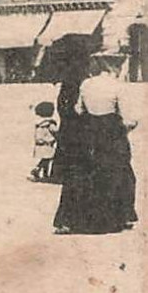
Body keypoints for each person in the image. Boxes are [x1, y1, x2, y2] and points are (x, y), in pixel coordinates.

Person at [53, 57, 138, 235]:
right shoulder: (118, 86)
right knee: (119, 170)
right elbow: (128, 118)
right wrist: (125, 130)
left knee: (84, 172)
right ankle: (118, 217)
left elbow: (79, 109)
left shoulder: (86, 84)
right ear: (115, 68)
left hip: (89, 130)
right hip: (111, 131)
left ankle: (74, 219)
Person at [30, 102, 59, 182]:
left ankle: (42, 173)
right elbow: (56, 131)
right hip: (48, 145)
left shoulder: (39, 123)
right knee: (47, 160)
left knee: (45, 160)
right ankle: (40, 170)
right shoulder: (50, 124)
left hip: (39, 145)